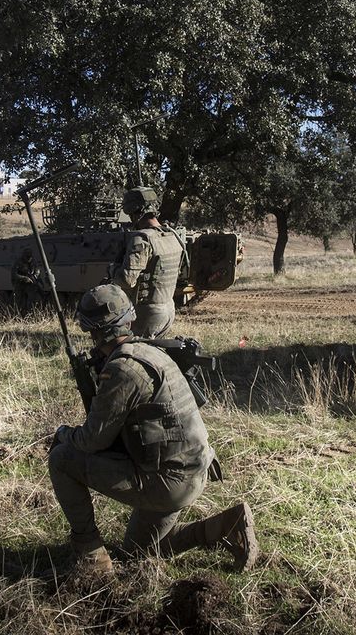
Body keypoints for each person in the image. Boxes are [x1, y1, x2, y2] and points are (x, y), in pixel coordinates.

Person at [48, 284, 258, 580]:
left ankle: (91, 554)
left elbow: (93, 441)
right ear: (129, 321)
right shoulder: (150, 352)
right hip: (193, 471)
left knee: (61, 458)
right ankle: (227, 525)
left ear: (93, 331)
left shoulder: (123, 370)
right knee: (137, 550)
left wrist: (63, 433)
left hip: (170, 481)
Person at [112, 187, 186, 338]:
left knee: (134, 356)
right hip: (168, 309)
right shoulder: (172, 236)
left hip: (147, 314)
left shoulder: (142, 239)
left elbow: (127, 280)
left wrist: (113, 270)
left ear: (135, 213)